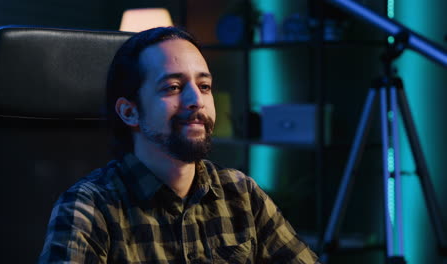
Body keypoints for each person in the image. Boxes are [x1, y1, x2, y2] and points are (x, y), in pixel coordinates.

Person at [39, 27, 320, 264]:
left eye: (204, 86)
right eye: (173, 87)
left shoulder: (241, 194)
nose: (195, 100)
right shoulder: (90, 207)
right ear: (129, 112)